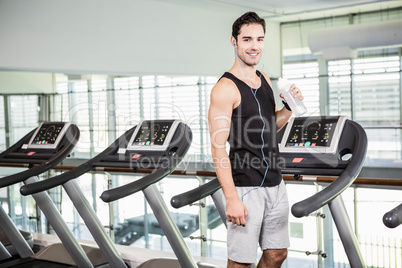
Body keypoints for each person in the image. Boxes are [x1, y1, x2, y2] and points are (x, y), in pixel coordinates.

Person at [208, 12, 304, 268]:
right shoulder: (225, 88)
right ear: (234, 42)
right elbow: (217, 148)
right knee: (241, 262)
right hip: (245, 187)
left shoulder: (263, 79)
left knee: (277, 254)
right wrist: (231, 198)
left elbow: (271, 126)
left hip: (275, 182)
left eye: (260, 39)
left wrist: (289, 107)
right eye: (247, 39)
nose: (255, 46)